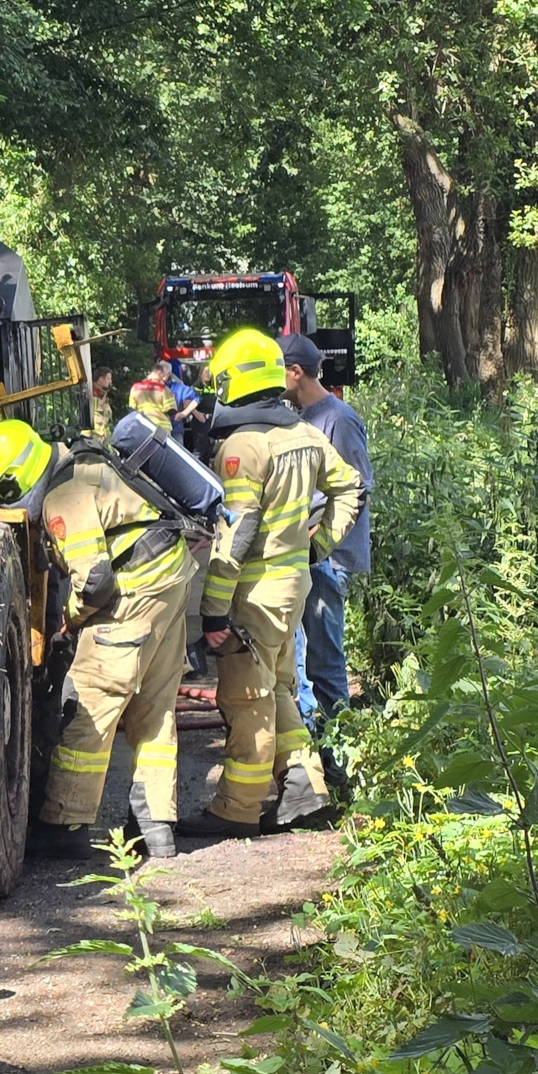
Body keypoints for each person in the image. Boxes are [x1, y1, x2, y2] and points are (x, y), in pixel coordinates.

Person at [0, 418, 192, 860]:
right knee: (155, 709)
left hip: (134, 592)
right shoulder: (86, 463)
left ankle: (66, 824)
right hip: (170, 577)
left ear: (13, 479)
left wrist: (70, 619)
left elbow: (96, 583)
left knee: (89, 703)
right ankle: (155, 828)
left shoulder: (61, 497)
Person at [177, 328, 366, 840]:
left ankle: (236, 808)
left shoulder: (244, 446)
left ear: (234, 381)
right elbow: (353, 487)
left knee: (246, 696)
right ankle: (307, 789)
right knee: (280, 685)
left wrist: (214, 613)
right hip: (295, 583)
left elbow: (232, 540)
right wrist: (319, 545)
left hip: (255, 594)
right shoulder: (305, 434)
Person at [278, 333, 371, 739]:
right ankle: (312, 751)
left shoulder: (339, 418)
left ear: (296, 372)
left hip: (328, 560)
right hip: (306, 558)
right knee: (298, 659)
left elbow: (359, 486)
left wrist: (319, 543)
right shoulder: (297, 418)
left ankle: (339, 757)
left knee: (324, 660)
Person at [84, 367, 116, 434]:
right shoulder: (90, 392)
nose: (110, 381)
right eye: (108, 378)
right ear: (100, 379)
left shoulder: (103, 394)